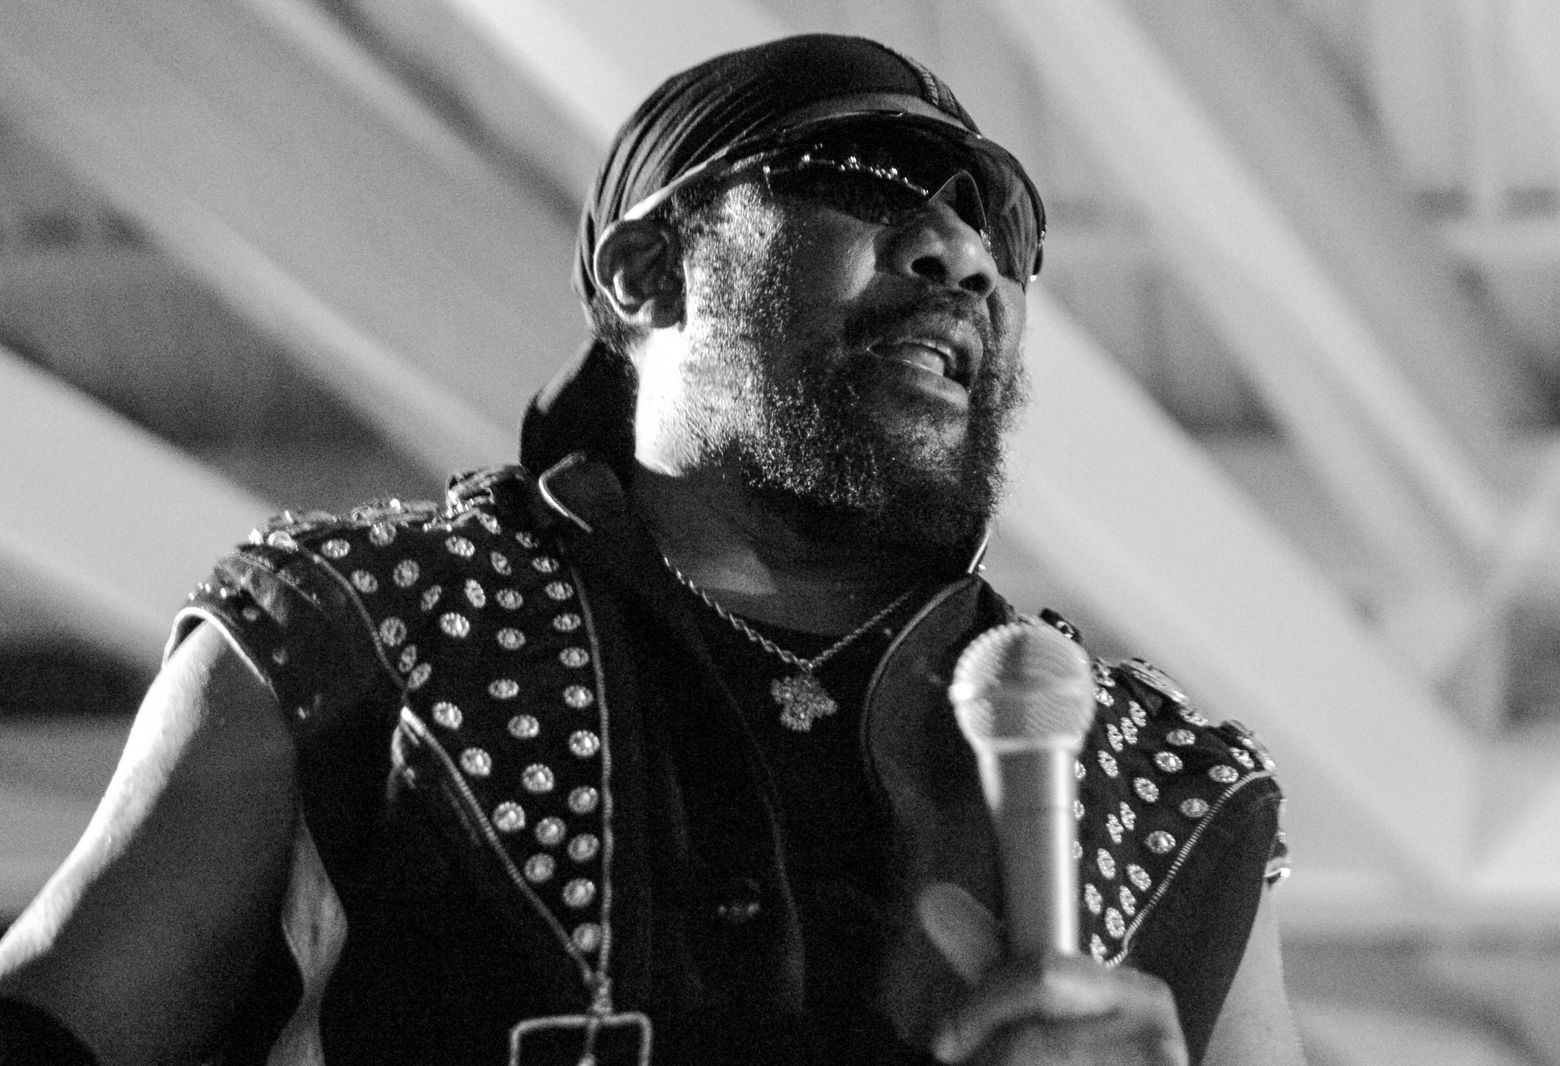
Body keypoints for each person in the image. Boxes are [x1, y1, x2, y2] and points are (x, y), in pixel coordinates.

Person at [0, 34, 1304, 1066]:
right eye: (863, 178)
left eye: (1000, 234)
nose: (960, 254)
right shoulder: (362, 630)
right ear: (646, 273)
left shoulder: (1166, 793)